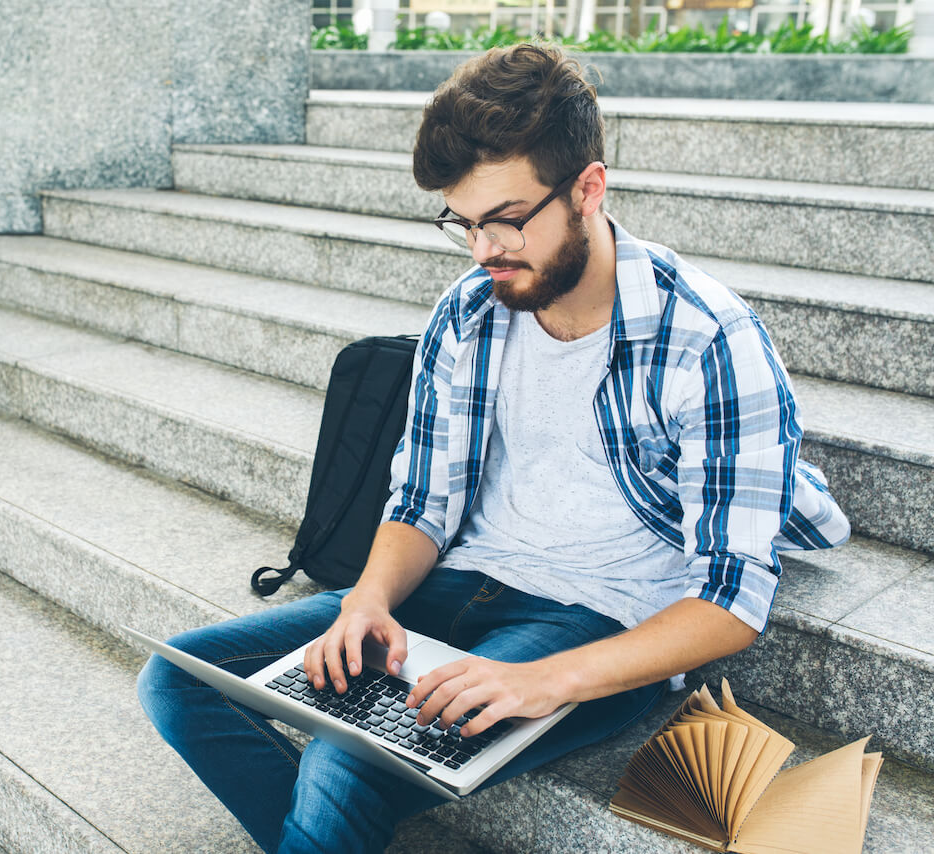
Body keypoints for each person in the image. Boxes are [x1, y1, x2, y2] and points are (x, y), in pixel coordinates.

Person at [137, 42, 849, 853]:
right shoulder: (471, 311)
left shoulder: (706, 339)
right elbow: (421, 502)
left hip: (595, 618)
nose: (484, 251)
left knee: (345, 763)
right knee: (180, 680)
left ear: (588, 188)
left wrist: (543, 682)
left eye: (506, 220)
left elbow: (732, 600)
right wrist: (368, 601)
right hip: (459, 580)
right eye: (464, 224)